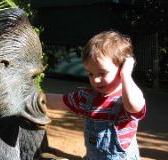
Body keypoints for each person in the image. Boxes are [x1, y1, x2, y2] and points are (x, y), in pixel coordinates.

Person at [45, 30, 146, 160]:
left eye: (102, 73)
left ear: (122, 69)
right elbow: (61, 101)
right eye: (90, 73)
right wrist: (37, 98)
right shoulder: (86, 97)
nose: (95, 80)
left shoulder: (124, 100)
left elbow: (134, 105)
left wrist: (126, 74)